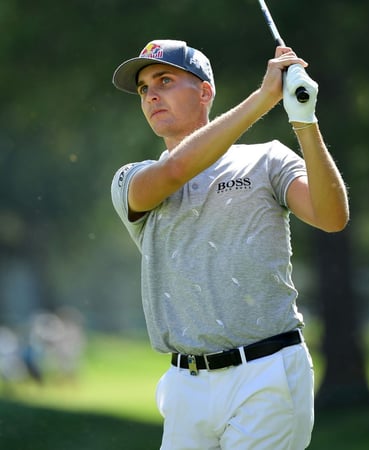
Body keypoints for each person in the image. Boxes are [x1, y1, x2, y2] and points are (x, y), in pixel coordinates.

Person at [110, 39, 348, 449]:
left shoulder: (268, 159)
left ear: (205, 92)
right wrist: (264, 98)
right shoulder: (133, 177)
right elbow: (178, 169)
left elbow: (332, 217)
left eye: (164, 80)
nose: (151, 95)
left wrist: (304, 120)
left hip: (267, 372)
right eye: (144, 89)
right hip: (185, 386)